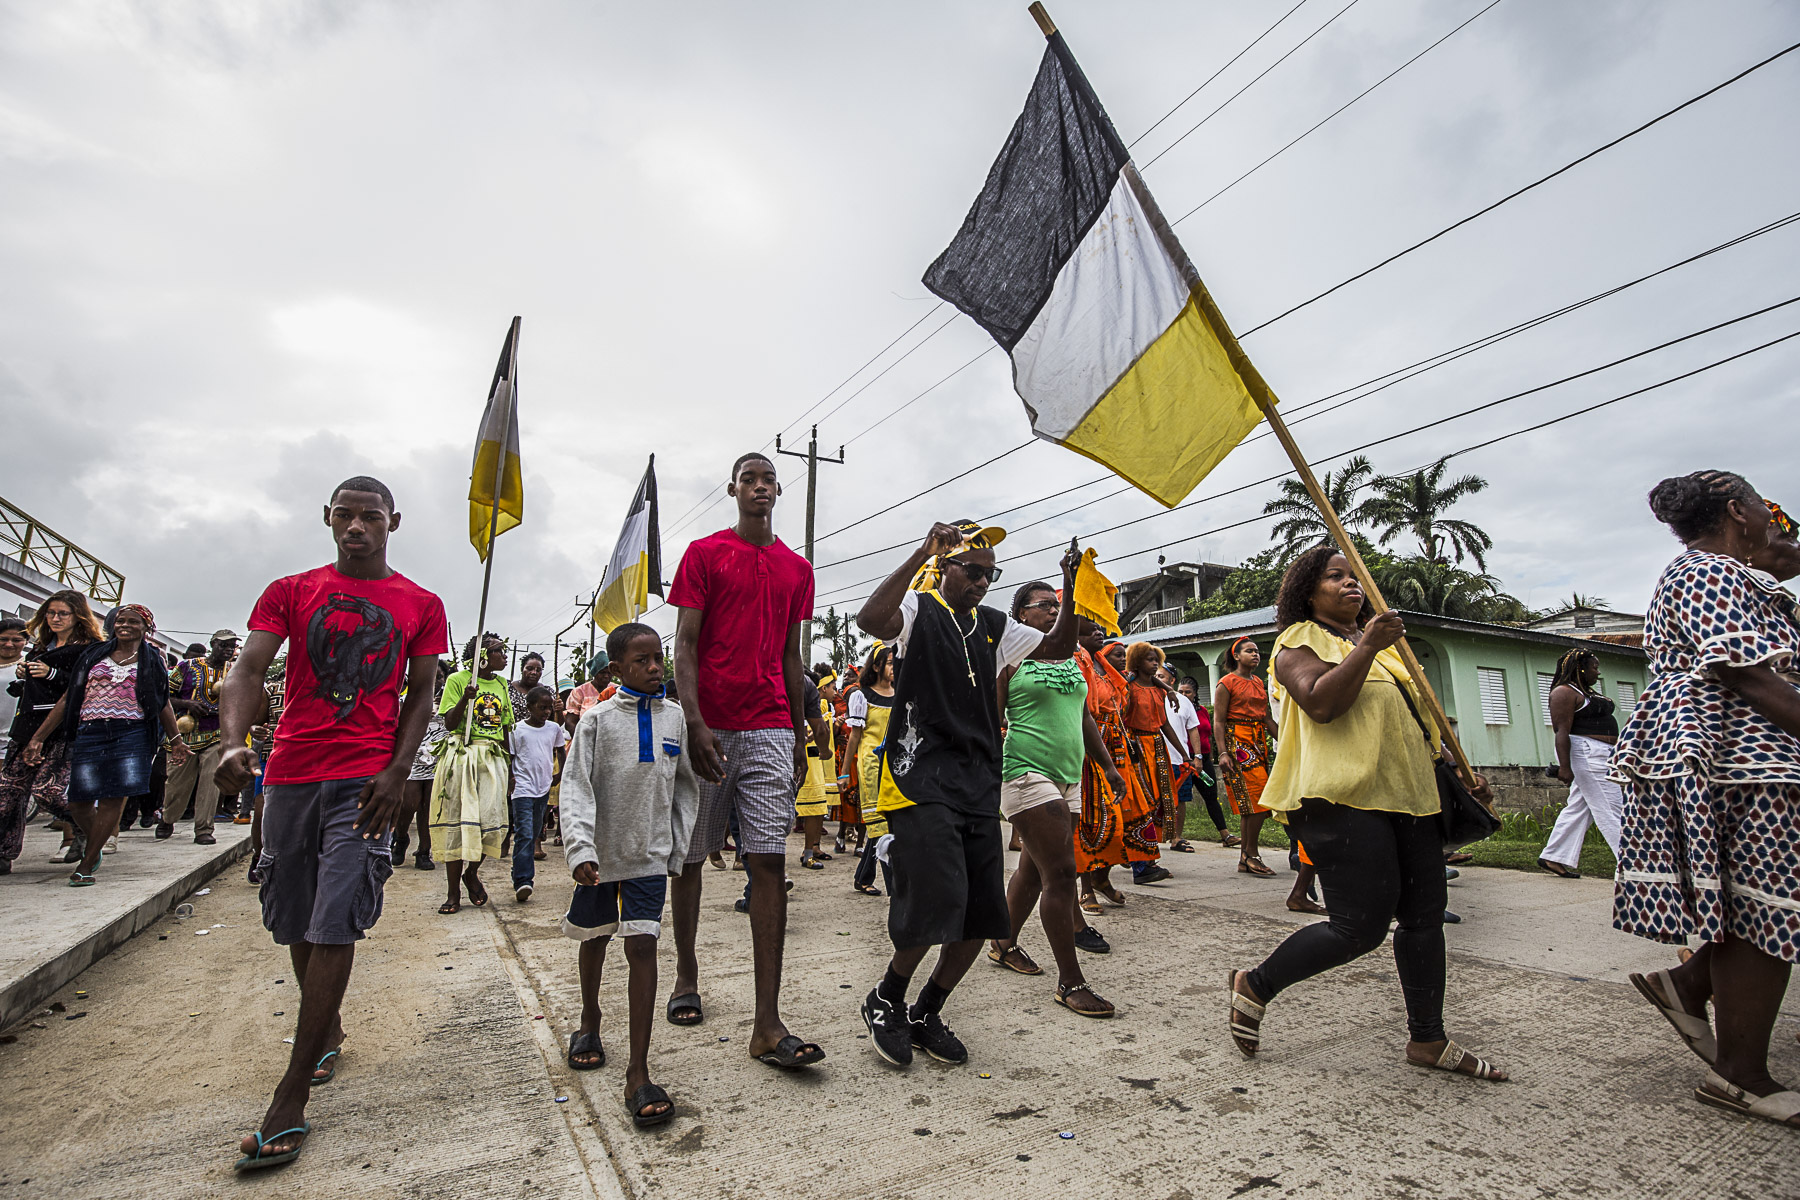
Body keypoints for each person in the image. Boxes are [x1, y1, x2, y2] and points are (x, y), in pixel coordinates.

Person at [214, 475, 447, 1171]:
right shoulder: (290, 590)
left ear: (392, 523)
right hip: (288, 776)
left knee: (335, 918)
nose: (355, 527)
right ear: (327, 519)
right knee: (292, 918)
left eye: (369, 517)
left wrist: (398, 769)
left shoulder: (421, 604)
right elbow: (247, 669)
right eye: (344, 516)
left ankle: (291, 1093)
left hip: (364, 782)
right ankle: (327, 1029)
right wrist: (233, 742)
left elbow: (422, 693)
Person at [1227, 544, 1505, 1082]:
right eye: (1335, 577)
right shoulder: (1295, 643)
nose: (1351, 584)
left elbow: (1416, 723)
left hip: (1411, 795)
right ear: (1309, 592)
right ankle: (1255, 984)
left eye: (1355, 576)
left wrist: (1458, 773)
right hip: (1340, 798)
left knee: (1424, 920)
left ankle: (1428, 1038)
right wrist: (1370, 646)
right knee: (1358, 928)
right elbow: (1322, 704)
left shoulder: (1393, 652)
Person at [854, 521, 1079, 1066]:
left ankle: (928, 1009)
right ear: (945, 569)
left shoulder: (996, 626)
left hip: (977, 778)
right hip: (920, 777)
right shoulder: (916, 612)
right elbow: (869, 620)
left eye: (989, 574)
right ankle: (887, 996)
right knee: (939, 896)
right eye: (972, 570)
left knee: (982, 910)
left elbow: (1058, 647)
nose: (982, 581)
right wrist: (920, 552)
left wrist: (1069, 587)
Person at [1614, 472, 1798, 1128]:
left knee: (1755, 905)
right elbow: (1747, 672)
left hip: (1758, 760)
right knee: (1765, 913)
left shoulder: (1734, 574)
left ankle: (1689, 984)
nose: (1771, 518)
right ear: (1735, 511)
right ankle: (1741, 1074)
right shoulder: (1705, 572)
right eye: (1761, 507)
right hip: (1742, 762)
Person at [665, 451, 822, 1070]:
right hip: (708, 725)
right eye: (748, 478)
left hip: (768, 726)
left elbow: (792, 657)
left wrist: (795, 730)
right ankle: (686, 975)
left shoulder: (796, 568)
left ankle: (767, 1021)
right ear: (733, 489)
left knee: (767, 858)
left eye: (768, 479)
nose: (760, 486)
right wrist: (696, 721)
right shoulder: (705, 554)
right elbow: (686, 644)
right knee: (692, 856)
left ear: (779, 490)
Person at [559, 622, 699, 1126]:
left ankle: (637, 1070)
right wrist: (578, 849)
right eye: (642, 660)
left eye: (658, 657)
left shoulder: (675, 719)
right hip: (600, 856)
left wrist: (675, 850)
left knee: (642, 947)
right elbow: (575, 788)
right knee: (594, 938)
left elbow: (685, 789)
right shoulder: (596, 720)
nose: (656, 667)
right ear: (616, 670)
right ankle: (589, 1020)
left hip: (648, 857)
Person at [986, 580, 1121, 1016]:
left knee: (1033, 868)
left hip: (1069, 774)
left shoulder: (1068, 660)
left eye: (1056, 604)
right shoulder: (1008, 658)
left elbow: (1082, 717)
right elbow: (988, 718)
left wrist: (1108, 766)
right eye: (1044, 605)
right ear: (1021, 614)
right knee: (1061, 873)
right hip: (1024, 770)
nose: (1052, 610)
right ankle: (1071, 982)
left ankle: (1003, 943)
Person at [21, 604, 189, 885]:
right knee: (78, 800)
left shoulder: (152, 659)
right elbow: (68, 697)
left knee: (113, 797)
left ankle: (87, 861)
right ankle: (95, 839)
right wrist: (38, 736)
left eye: (133, 622)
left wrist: (176, 739)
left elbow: (162, 702)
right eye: (120, 621)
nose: (124, 626)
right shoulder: (94, 654)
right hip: (90, 730)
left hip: (132, 732)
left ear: (147, 628)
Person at [0, 590, 104, 870]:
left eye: (62, 614)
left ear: (78, 616)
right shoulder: (42, 645)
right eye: (51, 613)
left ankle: (91, 832)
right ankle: (4, 853)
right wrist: (25, 675)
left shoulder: (89, 648)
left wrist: (51, 674)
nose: (55, 619)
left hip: (62, 730)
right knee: (7, 793)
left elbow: (80, 689)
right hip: (25, 725)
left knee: (51, 794)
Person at [1070, 624, 1151, 938]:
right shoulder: (1076, 662)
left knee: (1124, 818)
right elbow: (1083, 711)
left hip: (1114, 749)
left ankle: (1103, 878)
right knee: (1090, 820)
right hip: (1087, 749)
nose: (1099, 633)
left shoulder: (1103, 672)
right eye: (1093, 630)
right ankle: (1086, 888)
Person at [432, 633, 515, 914]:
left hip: (492, 759)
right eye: (499, 651)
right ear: (482, 656)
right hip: (463, 754)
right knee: (457, 824)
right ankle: (453, 892)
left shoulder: (502, 684)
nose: (504, 656)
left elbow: (504, 728)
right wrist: (465, 699)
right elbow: (450, 723)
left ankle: (472, 872)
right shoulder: (458, 681)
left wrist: (510, 767)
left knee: (490, 822)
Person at [1536, 648, 1622, 879]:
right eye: (1595, 667)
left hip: (1603, 753)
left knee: (1580, 807)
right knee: (1612, 807)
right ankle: (1632, 863)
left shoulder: (1586, 692)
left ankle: (1554, 856)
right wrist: (1564, 766)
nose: (1598, 671)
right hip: (1587, 753)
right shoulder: (1563, 692)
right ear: (1580, 668)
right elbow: (1561, 731)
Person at [160, 628, 239, 844]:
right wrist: (186, 704)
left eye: (231, 646)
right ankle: (168, 818)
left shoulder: (234, 671)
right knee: (178, 783)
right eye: (223, 645)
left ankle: (204, 828)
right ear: (213, 644)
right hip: (184, 734)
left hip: (216, 734)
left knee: (211, 781)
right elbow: (165, 697)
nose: (228, 649)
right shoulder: (187, 667)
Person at [1122, 642, 1188, 886]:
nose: (1154, 664)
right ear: (1137, 662)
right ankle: (1142, 861)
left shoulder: (1160, 691)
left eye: (1156, 660)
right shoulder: (1128, 687)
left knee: (1160, 801)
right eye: (1149, 660)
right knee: (1142, 803)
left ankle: (1145, 858)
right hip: (1136, 746)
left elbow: (1165, 725)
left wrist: (1184, 753)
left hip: (1157, 747)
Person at [1216, 637, 1279, 878]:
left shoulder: (1258, 683)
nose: (1255, 655)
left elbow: (1266, 718)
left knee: (1251, 804)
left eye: (1256, 651)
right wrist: (1222, 752)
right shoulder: (1226, 683)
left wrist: (1286, 741)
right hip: (1238, 741)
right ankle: (1251, 854)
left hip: (1258, 740)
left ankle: (1245, 857)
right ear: (1236, 656)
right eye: (1249, 651)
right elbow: (1219, 721)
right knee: (1259, 798)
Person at [842, 645, 895, 896]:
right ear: (876, 667)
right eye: (889, 663)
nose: (894, 668)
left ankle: (863, 876)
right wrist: (843, 773)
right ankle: (896, 886)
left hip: (894, 765)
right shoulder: (861, 696)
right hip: (871, 764)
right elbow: (855, 737)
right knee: (879, 825)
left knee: (887, 825)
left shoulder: (900, 693)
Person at [510, 684, 567, 903]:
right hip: (522, 788)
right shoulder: (518, 730)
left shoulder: (553, 728)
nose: (545, 712)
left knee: (533, 832)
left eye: (548, 708)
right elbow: (511, 757)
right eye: (542, 708)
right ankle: (524, 880)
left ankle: (518, 868)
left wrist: (559, 774)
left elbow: (560, 750)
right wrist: (510, 780)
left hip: (543, 788)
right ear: (530, 707)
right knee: (524, 832)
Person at [394, 660, 449, 870]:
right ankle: (401, 839)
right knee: (408, 804)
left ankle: (424, 851)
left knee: (429, 808)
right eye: (431, 675)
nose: (435, 681)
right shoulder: (407, 698)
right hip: (413, 758)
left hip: (437, 760)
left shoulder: (448, 700)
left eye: (439, 677)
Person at [1176, 673, 1237, 847]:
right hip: (1184, 761)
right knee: (1179, 800)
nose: (1184, 695)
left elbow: (1207, 734)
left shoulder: (1202, 711)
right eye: (1180, 691)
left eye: (1188, 692)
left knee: (1211, 796)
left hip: (1202, 761)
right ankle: (1175, 836)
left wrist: (1208, 756)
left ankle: (1225, 834)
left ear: (1195, 693)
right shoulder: (1175, 710)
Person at [794, 670, 835, 870]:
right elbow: (820, 730)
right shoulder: (807, 690)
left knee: (816, 807)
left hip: (808, 757)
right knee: (812, 807)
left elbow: (819, 729)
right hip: (803, 757)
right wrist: (825, 750)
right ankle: (807, 853)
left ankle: (809, 852)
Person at [563, 653, 615, 733]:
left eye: (609, 673)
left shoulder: (617, 690)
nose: (606, 676)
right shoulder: (579, 692)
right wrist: (582, 739)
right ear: (595, 673)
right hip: (585, 736)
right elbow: (570, 723)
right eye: (602, 672)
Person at [0, 619, 25, 768]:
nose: (9, 644)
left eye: (16, 640)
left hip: (9, 740)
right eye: (3, 639)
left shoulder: (28, 665)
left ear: (26, 641)